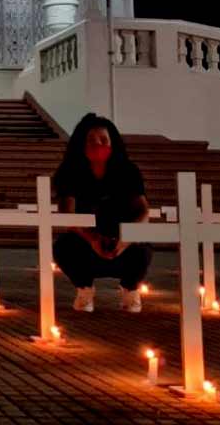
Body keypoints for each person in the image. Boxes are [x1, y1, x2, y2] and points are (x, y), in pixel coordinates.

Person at [51, 113, 152, 313]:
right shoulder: (71, 172)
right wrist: (92, 239)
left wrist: (126, 239)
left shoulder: (127, 171)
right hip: (85, 242)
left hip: (120, 241)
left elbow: (143, 210)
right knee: (63, 247)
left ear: (113, 143)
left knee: (143, 250)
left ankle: (130, 289)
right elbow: (67, 213)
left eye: (104, 140)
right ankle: (84, 289)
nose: (98, 145)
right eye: (91, 141)